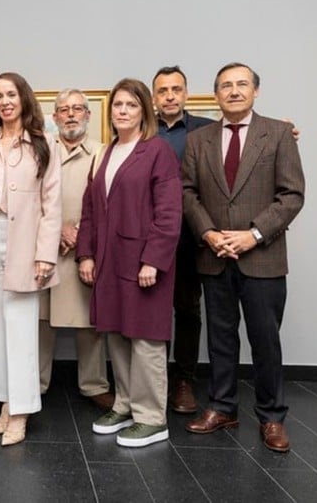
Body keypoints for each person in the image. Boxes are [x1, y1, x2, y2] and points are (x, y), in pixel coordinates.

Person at [182, 63, 304, 453]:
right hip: (215, 256)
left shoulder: (280, 133)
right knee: (219, 340)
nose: (234, 91)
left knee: (265, 340)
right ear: (215, 94)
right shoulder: (199, 139)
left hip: (262, 257)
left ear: (256, 91)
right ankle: (222, 407)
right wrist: (209, 233)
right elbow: (187, 193)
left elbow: (291, 195)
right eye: (225, 86)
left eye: (241, 84)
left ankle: (271, 417)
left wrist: (252, 234)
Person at [77, 78, 182, 448]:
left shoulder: (157, 151)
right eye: (118, 105)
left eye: (131, 105)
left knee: (146, 340)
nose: (122, 111)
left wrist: (153, 259)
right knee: (116, 335)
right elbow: (90, 209)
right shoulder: (105, 153)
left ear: (144, 111)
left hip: (142, 264)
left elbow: (170, 213)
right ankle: (124, 405)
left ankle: (152, 418)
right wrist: (86, 254)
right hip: (109, 261)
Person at [0, 72, 62, 446]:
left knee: (20, 332)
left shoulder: (43, 143)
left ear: (23, 99)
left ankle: (20, 411)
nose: (5, 101)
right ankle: (4, 402)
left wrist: (45, 256)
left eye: (11, 94)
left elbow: (52, 206)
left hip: (25, 248)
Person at [38, 88, 114, 410]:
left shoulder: (103, 153)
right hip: (44, 246)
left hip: (86, 249)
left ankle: (94, 385)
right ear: (54, 117)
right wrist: (56, 231)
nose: (70, 114)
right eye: (63, 110)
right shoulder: (40, 151)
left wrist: (81, 233)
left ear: (88, 115)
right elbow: (28, 198)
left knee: (90, 321)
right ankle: (35, 384)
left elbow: (109, 203)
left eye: (77, 109)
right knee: (40, 321)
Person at [152, 66, 215, 414]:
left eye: (176, 89)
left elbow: (245, 141)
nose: (170, 96)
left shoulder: (207, 129)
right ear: (154, 97)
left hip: (193, 236)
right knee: (153, 308)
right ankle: (154, 378)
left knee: (188, 310)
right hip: (153, 237)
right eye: (163, 91)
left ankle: (184, 381)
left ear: (186, 93)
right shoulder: (144, 132)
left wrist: (285, 132)